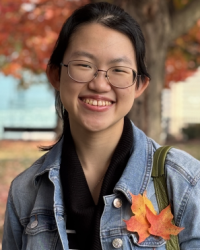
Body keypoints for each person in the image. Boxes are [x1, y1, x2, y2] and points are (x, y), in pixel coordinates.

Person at [2, 2, 200, 250]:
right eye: (84, 65)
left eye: (118, 70)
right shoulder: (26, 191)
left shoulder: (184, 183)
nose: (99, 84)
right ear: (55, 74)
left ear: (139, 86)